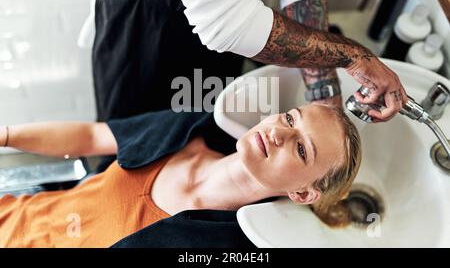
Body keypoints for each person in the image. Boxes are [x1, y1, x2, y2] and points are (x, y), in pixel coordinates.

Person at [79, 0, 407, 123]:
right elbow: (226, 22)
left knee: (199, 125)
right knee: (133, 139)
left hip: (222, 32)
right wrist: (352, 57)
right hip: (148, 30)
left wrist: (326, 100)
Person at [0, 104, 361, 247]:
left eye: (301, 150)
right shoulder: (188, 130)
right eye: (290, 118)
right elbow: (91, 137)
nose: (279, 134)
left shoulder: (219, 247)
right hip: (11, 217)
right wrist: (5, 135)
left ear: (301, 194)